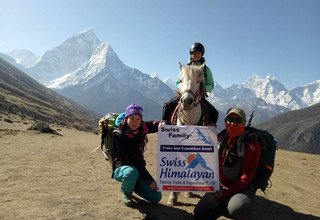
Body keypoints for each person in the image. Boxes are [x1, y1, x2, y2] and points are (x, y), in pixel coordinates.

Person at [194, 107, 261, 220]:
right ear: (225, 121)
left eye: (237, 120)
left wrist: (226, 193)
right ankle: (224, 205)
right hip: (220, 187)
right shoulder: (221, 137)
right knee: (200, 214)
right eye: (230, 119)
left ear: (244, 123)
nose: (233, 123)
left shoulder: (251, 145)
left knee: (238, 208)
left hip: (241, 188)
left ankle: (241, 205)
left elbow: (247, 176)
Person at [112, 103, 162, 206]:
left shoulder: (142, 128)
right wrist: (148, 180)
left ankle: (132, 184)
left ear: (141, 120)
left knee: (156, 197)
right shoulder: (119, 135)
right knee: (131, 172)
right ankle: (126, 192)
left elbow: (155, 125)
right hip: (122, 169)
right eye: (132, 118)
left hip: (138, 169)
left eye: (138, 118)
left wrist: (163, 123)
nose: (135, 122)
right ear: (126, 118)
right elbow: (133, 160)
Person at [162, 42, 218, 125]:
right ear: (191, 54)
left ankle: (210, 127)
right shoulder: (185, 68)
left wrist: (204, 89)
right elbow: (178, 82)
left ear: (202, 54)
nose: (196, 55)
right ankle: (165, 123)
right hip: (184, 93)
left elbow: (211, 84)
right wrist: (182, 88)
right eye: (193, 53)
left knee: (214, 113)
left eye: (198, 53)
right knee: (167, 105)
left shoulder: (206, 70)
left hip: (199, 95)